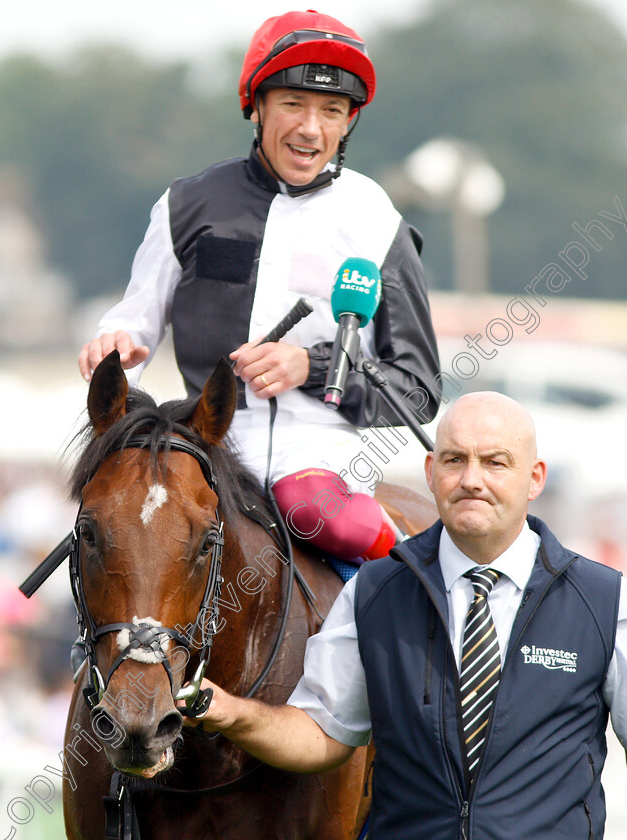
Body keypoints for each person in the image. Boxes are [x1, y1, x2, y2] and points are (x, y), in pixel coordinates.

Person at [77, 10, 441, 565]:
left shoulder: (376, 219)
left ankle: (416, 579)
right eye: (293, 104)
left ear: (349, 123)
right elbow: (134, 322)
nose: (311, 128)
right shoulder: (186, 203)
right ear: (257, 106)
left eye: (332, 111)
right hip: (207, 444)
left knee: (307, 507)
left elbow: (418, 387)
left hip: (323, 454)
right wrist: (116, 345)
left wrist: (311, 368)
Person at [184, 391, 627, 840]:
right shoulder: (373, 593)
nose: (472, 480)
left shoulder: (605, 601)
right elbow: (321, 731)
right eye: (455, 460)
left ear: (535, 479)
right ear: (432, 473)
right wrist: (230, 712)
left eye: (495, 462)